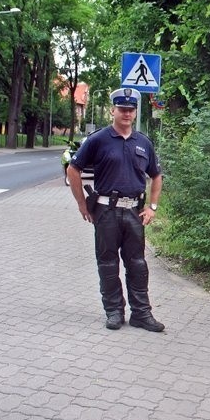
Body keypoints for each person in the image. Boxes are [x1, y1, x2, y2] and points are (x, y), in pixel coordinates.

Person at [68, 88, 165, 332]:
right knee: (108, 264)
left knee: (137, 264)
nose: (126, 113)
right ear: (113, 111)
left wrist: (152, 207)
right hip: (106, 212)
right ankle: (114, 311)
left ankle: (141, 314)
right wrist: (82, 204)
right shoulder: (98, 140)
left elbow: (156, 175)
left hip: (134, 212)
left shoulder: (143, 142)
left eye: (130, 110)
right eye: (122, 109)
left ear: (134, 113)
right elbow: (73, 169)